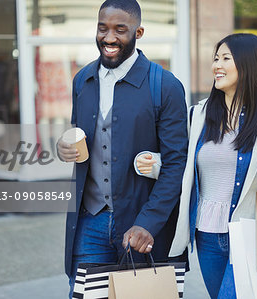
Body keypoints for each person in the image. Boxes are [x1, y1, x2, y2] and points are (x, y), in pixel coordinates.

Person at [135, 33, 257, 299]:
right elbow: (185, 165)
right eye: (216, 58)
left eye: (226, 58)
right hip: (206, 235)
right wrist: (152, 163)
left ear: (249, 64)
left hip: (253, 236)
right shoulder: (199, 115)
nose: (217, 65)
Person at [56, 0, 188, 296]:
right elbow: (78, 136)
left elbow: (177, 164)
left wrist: (149, 222)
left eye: (120, 29)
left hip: (141, 222)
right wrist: (63, 147)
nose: (109, 38)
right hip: (90, 219)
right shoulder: (83, 80)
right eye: (103, 28)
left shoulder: (165, 86)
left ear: (138, 32)